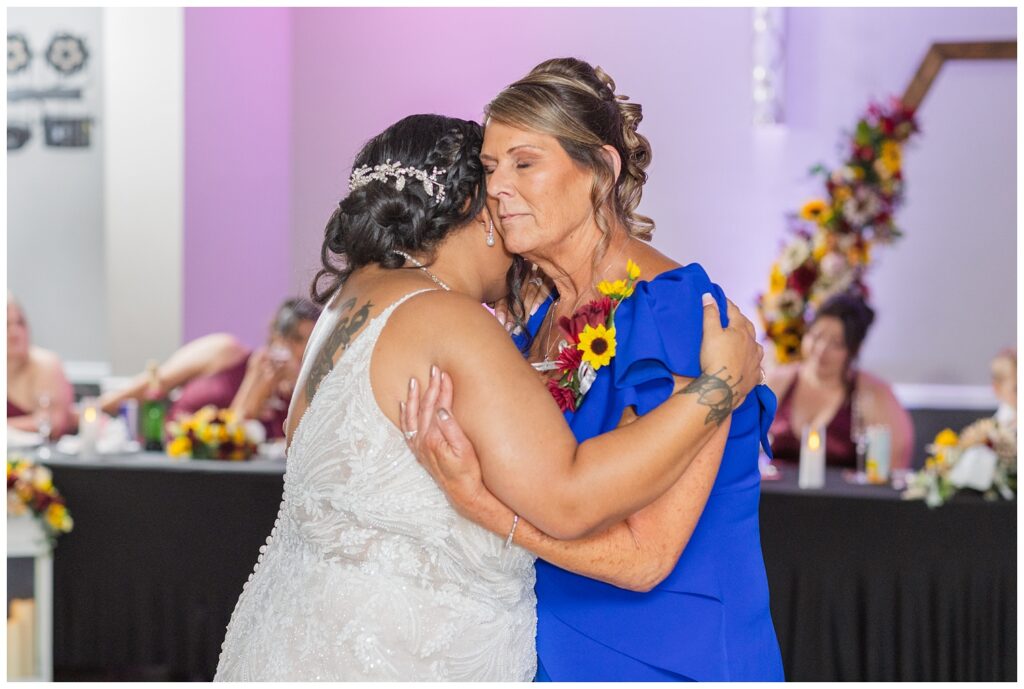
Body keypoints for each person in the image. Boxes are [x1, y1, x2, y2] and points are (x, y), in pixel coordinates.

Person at [214, 112, 764, 681]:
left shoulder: (343, 308)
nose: (508, 207)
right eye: (495, 185)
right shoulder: (445, 318)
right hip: (403, 656)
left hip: (295, 639)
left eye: (524, 168)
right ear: (478, 216)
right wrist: (718, 388)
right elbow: (569, 495)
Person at [399, 58, 784, 681]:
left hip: (667, 656)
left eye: (525, 163)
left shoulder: (678, 312)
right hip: (549, 651)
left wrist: (483, 507)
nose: (498, 188)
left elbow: (646, 558)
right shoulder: (536, 322)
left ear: (599, 172)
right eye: (491, 168)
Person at [97, 298, 320, 439]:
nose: (300, 351)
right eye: (296, 339)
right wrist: (102, 406)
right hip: (166, 449)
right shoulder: (226, 351)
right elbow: (158, 381)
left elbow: (232, 433)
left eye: (309, 343)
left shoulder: (296, 397)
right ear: (275, 335)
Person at [767, 291, 914, 469]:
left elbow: (895, 464)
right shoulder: (777, 382)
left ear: (854, 350)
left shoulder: (874, 394)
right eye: (816, 336)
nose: (821, 350)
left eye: (836, 344)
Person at [7, 291, 75, 439]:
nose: (14, 332)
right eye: (6, 325)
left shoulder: (45, 364)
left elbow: (51, 424)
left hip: (46, 457)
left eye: (20, 323)